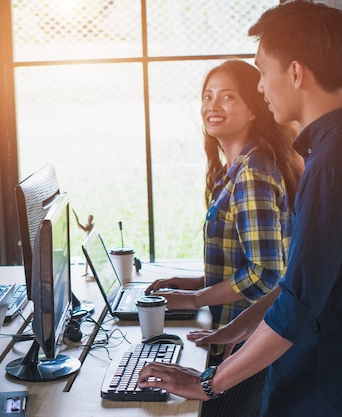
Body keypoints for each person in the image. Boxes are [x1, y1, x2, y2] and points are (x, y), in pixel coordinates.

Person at [139, 2, 342, 416]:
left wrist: (210, 383)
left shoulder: (329, 165)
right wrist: (239, 326)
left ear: (297, 73)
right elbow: (300, 280)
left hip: (317, 386)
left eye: (263, 73)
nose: (262, 87)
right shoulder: (325, 154)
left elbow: (299, 304)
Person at [145, 59, 303, 416]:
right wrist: (191, 283)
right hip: (236, 334)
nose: (212, 106)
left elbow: (265, 272)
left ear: (253, 109)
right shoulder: (234, 169)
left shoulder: (253, 174)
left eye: (227, 97)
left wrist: (196, 299)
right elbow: (250, 257)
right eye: (207, 96)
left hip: (249, 344)